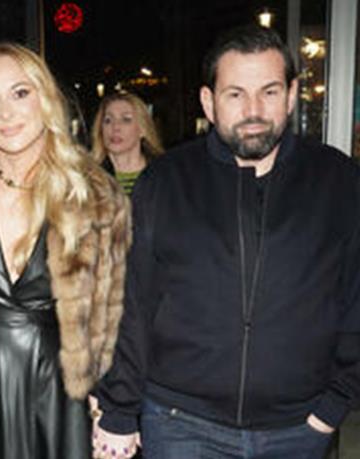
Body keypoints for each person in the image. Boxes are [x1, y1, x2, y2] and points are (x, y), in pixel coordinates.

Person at [93, 24, 360, 459]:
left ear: (292, 95)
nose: (253, 110)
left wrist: (336, 401)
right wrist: (119, 408)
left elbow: (355, 297)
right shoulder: (165, 181)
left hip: (299, 428)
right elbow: (132, 303)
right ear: (209, 102)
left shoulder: (339, 181)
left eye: (269, 92)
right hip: (179, 423)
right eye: (235, 94)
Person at [0, 42, 131, 459]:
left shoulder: (96, 195)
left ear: (45, 98)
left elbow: (115, 313)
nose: (5, 113)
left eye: (19, 93)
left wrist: (112, 402)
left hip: (63, 392)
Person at [91, 92, 163, 197]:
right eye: (108, 120)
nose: (115, 127)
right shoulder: (89, 178)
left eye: (126, 120)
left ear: (142, 129)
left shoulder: (163, 175)